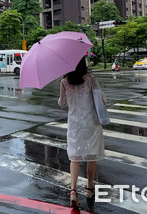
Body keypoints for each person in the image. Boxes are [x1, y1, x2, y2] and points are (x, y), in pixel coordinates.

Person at [58, 57, 106, 209]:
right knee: (91, 157)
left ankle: (73, 190)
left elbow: (62, 103)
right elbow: (101, 99)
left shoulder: (65, 82)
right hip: (90, 122)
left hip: (74, 125)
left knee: (74, 157)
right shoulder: (90, 79)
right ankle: (89, 188)